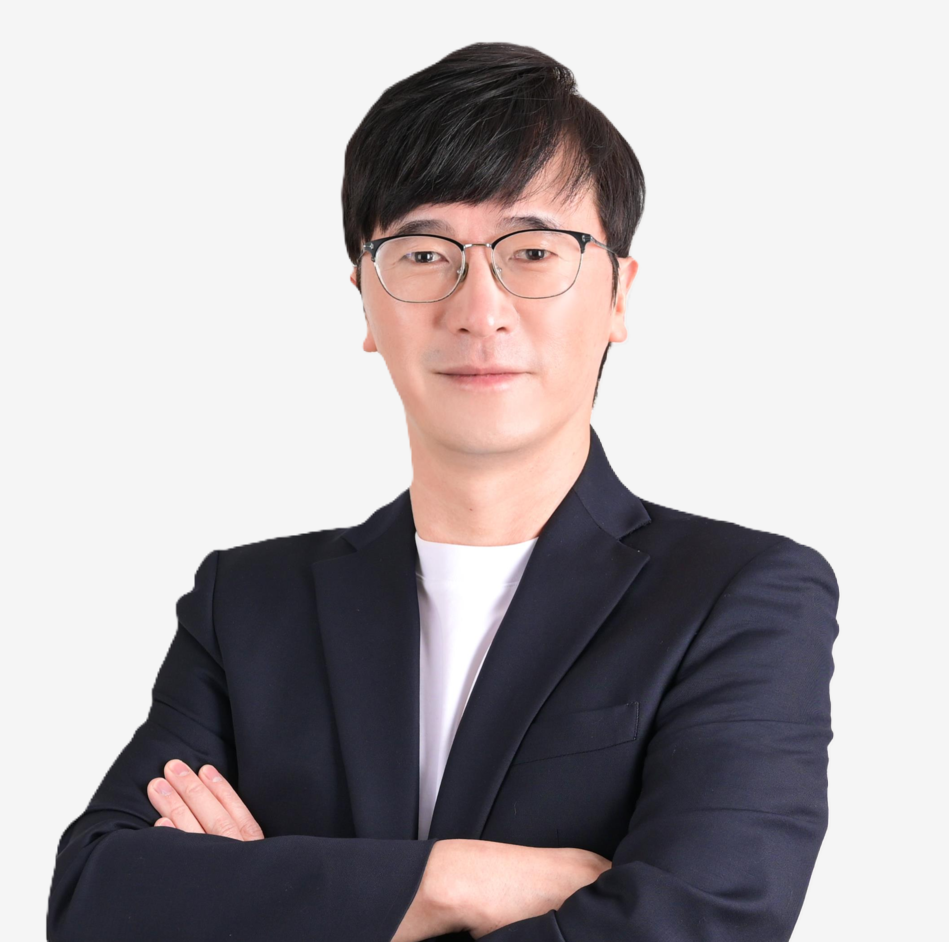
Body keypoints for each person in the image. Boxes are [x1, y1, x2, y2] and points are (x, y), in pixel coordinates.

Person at [46, 42, 840, 942]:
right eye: (423, 254)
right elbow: (97, 900)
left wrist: (273, 897)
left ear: (618, 293)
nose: (478, 305)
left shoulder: (740, 595)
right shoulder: (247, 605)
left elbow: (699, 926)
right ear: (365, 303)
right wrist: (457, 880)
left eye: (534, 250)